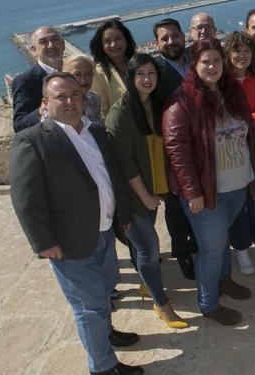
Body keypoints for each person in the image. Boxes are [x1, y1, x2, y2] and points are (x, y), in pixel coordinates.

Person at [9, 72, 143, 375]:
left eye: (75, 95)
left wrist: (120, 216)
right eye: (61, 96)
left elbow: (110, 177)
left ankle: (106, 335)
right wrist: (44, 243)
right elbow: (25, 199)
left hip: (105, 231)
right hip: (69, 242)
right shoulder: (31, 141)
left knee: (106, 291)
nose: (70, 101)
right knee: (90, 307)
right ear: (45, 103)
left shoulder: (95, 132)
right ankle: (103, 367)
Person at [162, 39, 254, 326]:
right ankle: (208, 303)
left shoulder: (231, 91)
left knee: (221, 241)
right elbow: (178, 151)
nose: (212, 67)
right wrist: (192, 192)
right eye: (205, 62)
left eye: (217, 60)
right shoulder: (181, 101)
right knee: (211, 249)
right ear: (194, 65)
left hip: (236, 184)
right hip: (206, 191)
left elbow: (248, 132)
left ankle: (224, 281)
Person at [105, 54, 188, 330]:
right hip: (131, 196)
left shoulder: (152, 103)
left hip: (152, 189)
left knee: (143, 246)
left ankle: (148, 287)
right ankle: (161, 304)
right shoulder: (121, 112)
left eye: (151, 73)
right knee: (149, 250)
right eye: (140, 74)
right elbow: (124, 163)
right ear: (130, 78)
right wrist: (145, 197)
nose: (147, 79)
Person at [150, 18, 197, 281]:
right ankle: (182, 252)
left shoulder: (194, 61)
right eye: (164, 38)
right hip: (172, 148)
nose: (171, 42)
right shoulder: (154, 70)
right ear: (156, 44)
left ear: (183, 36)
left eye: (174, 36)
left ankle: (196, 242)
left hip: (201, 143)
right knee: (176, 205)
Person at [224, 31, 255, 275]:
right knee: (235, 198)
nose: (241, 55)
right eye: (236, 50)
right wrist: (249, 118)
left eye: (246, 50)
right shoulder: (222, 80)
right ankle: (241, 249)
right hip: (229, 149)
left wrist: (240, 120)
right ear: (228, 54)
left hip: (254, 145)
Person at [11, 26, 64, 132]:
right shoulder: (25, 81)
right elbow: (19, 124)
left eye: (55, 39)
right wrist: (41, 111)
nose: (51, 45)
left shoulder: (75, 73)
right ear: (34, 50)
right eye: (43, 42)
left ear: (63, 44)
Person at [90, 20, 137, 117]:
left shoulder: (138, 64)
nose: (113, 44)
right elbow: (101, 114)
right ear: (101, 46)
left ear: (126, 40)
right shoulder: (98, 74)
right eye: (107, 41)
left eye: (118, 38)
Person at [58, 55, 104, 125]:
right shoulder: (57, 103)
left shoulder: (95, 100)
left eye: (88, 74)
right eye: (77, 74)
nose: (83, 80)